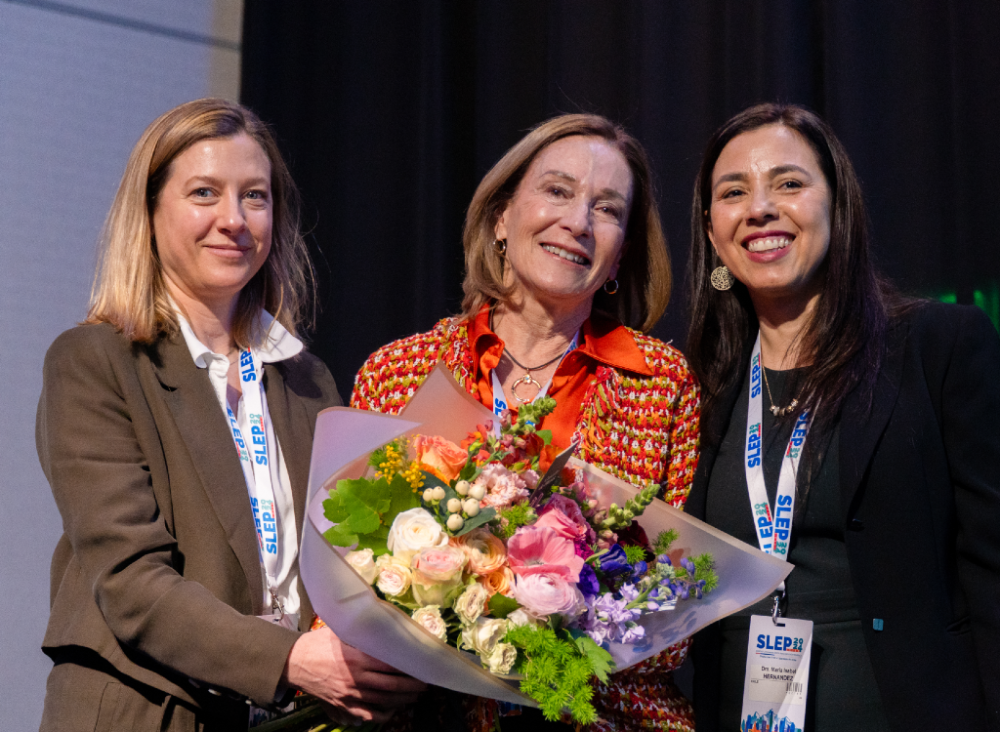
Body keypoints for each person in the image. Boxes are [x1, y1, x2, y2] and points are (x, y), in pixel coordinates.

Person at [36, 98, 424, 731]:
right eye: (204, 193)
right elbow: (131, 581)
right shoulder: (94, 361)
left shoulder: (306, 379)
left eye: (254, 196)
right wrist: (292, 658)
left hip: (285, 716)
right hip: (146, 711)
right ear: (151, 211)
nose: (233, 219)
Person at [352, 113, 700, 732]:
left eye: (609, 209)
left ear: (621, 253)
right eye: (558, 191)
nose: (578, 222)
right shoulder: (397, 371)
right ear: (500, 219)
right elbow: (347, 574)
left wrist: (553, 628)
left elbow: (673, 624)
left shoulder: (663, 385)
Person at [684, 103, 1000, 730]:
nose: (760, 208)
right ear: (714, 232)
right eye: (734, 192)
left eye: (790, 183)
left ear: (838, 206)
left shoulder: (937, 346)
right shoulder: (704, 387)